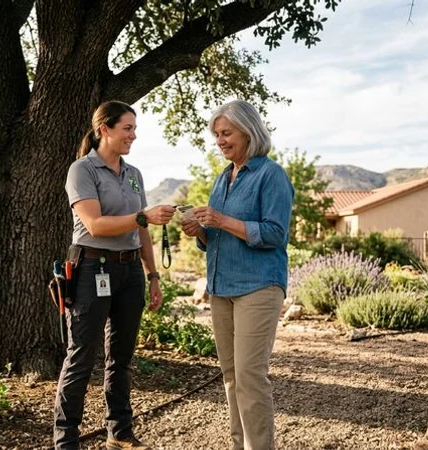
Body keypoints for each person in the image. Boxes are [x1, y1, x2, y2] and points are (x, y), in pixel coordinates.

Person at [55, 100, 176, 450]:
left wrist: (152, 276)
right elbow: (94, 224)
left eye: (134, 129)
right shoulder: (82, 170)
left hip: (129, 272)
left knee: (121, 358)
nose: (133, 136)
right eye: (127, 128)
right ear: (104, 129)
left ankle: (119, 433)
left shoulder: (134, 174)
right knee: (80, 356)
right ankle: (66, 441)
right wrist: (143, 217)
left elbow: (143, 231)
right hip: (93, 267)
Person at [181, 100, 294, 450]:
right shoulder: (221, 179)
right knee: (231, 377)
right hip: (221, 288)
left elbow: (275, 233)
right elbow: (214, 239)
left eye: (226, 133)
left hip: (258, 286)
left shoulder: (270, 175)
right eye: (216, 134)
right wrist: (199, 230)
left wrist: (222, 220)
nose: (220, 140)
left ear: (249, 132)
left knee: (249, 375)